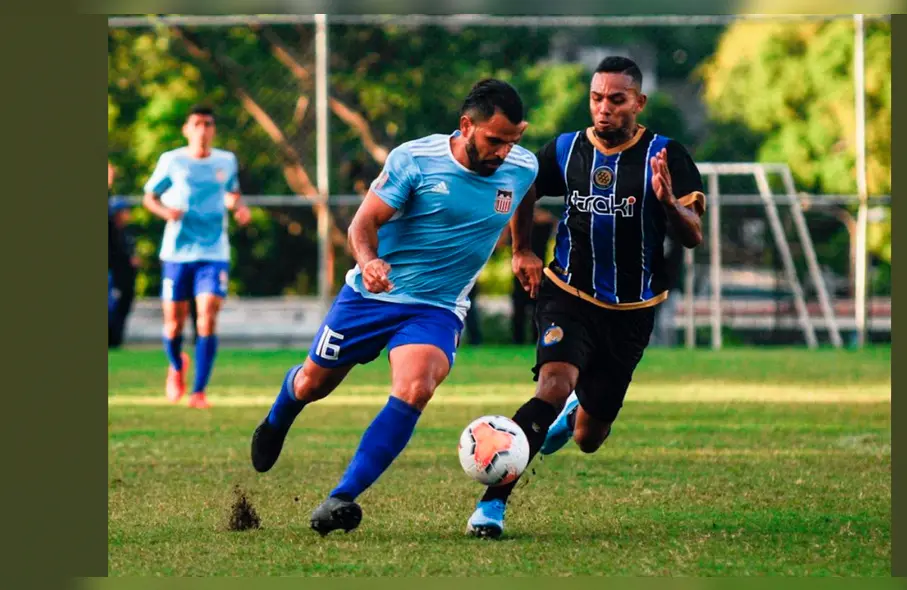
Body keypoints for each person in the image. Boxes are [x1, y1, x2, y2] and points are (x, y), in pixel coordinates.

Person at [249, 79, 538, 536]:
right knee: (312, 383)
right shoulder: (415, 160)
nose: (504, 152)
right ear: (466, 126)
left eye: (512, 141)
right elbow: (363, 223)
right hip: (370, 297)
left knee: (416, 388)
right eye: (494, 140)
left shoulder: (522, 166)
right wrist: (368, 262)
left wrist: (522, 249)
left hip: (437, 308)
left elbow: (524, 193)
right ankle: (279, 415)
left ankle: (342, 497)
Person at [466, 56, 707, 538]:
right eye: (597, 98)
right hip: (568, 293)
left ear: (638, 103)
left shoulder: (667, 154)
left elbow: (693, 235)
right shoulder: (566, 148)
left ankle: (578, 411)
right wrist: (522, 250)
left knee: (589, 438)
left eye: (617, 100)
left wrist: (669, 204)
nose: (604, 108)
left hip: (631, 311)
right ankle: (491, 506)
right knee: (552, 387)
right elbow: (525, 186)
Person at [141, 105, 251, 409]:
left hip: (213, 252)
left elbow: (232, 192)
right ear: (186, 129)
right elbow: (150, 197)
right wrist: (166, 212)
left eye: (208, 124)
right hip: (177, 252)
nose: (203, 129)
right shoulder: (172, 160)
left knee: (207, 318)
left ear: (214, 129)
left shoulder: (226, 161)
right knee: (174, 324)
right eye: (198, 124)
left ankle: (199, 392)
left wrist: (238, 207)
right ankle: (177, 366)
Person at [509, 206, 557, 344]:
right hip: (523, 268)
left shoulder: (543, 220)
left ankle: (534, 337)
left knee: (535, 305)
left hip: (538, 268)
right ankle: (519, 339)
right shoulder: (521, 221)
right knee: (521, 306)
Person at [108, 194, 139, 348]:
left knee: (122, 309)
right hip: (113, 278)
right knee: (112, 309)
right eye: (125, 211)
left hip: (125, 280)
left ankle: (116, 340)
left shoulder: (126, 232)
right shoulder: (110, 232)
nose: (128, 214)